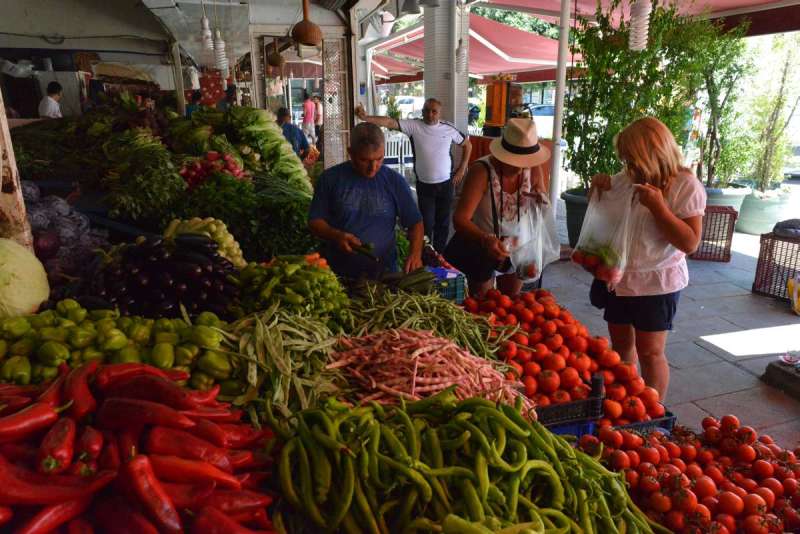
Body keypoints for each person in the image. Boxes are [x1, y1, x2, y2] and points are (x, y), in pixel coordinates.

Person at [589, 116, 706, 401]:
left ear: (653, 154)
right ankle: (627, 404)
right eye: (626, 160)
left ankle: (652, 412)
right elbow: (607, 220)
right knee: (621, 349)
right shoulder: (627, 179)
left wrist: (658, 207)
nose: (629, 166)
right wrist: (599, 188)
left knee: (651, 352)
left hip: (657, 282)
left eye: (633, 159)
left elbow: (690, 242)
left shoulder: (685, 185)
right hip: (619, 278)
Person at [308, 122, 424, 280]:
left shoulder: (394, 181)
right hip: (338, 274)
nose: (373, 167)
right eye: (365, 160)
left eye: (379, 159)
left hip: (385, 272)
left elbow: (415, 223)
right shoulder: (330, 179)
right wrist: (336, 235)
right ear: (350, 153)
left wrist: (415, 254)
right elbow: (315, 221)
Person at [356, 98, 472, 253]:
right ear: (422, 111)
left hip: (446, 184)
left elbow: (467, 145)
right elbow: (390, 123)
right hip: (425, 185)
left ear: (440, 113)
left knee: (443, 223)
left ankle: (440, 256)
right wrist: (366, 118)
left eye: (434, 111)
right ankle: (425, 254)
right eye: (426, 110)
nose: (429, 114)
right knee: (426, 223)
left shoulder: (448, 128)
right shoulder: (414, 126)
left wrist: (462, 168)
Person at [450, 118, 550, 297]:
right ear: (502, 154)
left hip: (518, 246)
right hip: (483, 246)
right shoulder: (481, 171)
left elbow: (542, 200)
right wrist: (485, 239)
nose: (521, 168)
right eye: (516, 161)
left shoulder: (534, 168)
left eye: (525, 161)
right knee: (485, 302)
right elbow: (460, 219)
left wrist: (540, 201)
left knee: (509, 302)